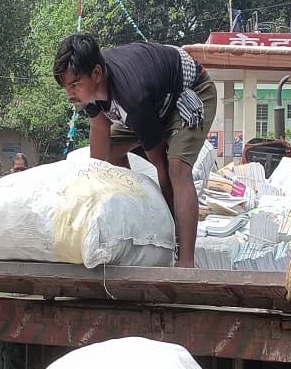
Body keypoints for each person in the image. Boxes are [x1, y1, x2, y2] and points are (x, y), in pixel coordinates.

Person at [53, 33, 217, 268]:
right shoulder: (87, 92)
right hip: (155, 103)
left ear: (97, 74)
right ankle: (134, 215)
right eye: (66, 87)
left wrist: (170, 235)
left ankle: (186, 262)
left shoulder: (133, 96)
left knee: (176, 167)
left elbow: (160, 163)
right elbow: (100, 128)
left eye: (75, 85)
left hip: (189, 92)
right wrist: (92, 185)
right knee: (111, 155)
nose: (70, 93)